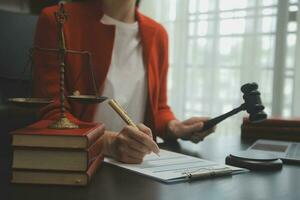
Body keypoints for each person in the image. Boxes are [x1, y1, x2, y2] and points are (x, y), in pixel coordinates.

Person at [33, 0, 215, 164]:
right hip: (79, 165)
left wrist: (174, 126)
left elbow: (158, 108)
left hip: (137, 169)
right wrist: (108, 143)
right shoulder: (58, 20)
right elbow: (53, 115)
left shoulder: (157, 34)